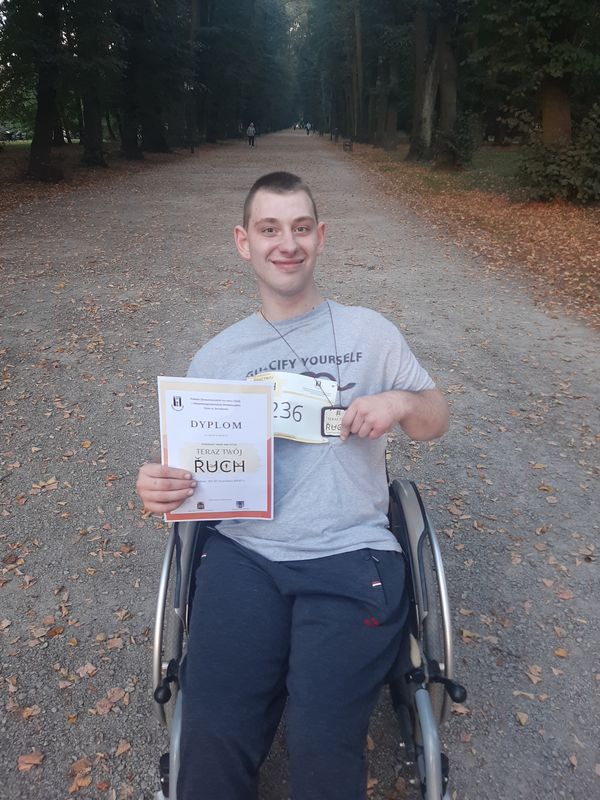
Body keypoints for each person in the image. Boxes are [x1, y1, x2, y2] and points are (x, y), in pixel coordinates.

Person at [136, 172, 449, 800]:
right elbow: (190, 470)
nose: (287, 243)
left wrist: (397, 403)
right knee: (212, 738)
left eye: (301, 228)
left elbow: (434, 418)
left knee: (322, 741)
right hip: (245, 555)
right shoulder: (218, 358)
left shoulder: (369, 333)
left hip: (353, 554)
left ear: (320, 237)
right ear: (244, 242)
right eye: (269, 229)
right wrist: (159, 484)